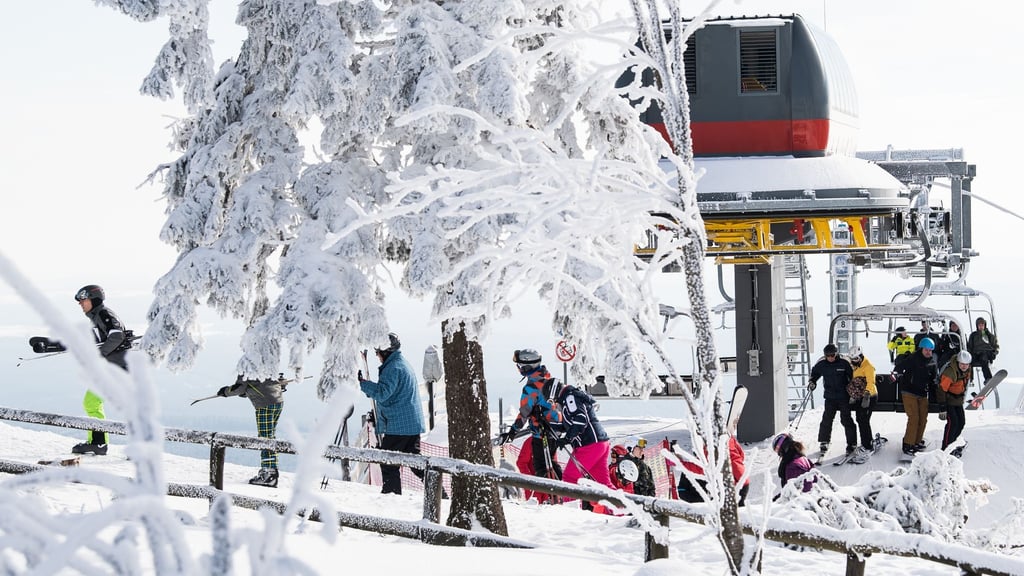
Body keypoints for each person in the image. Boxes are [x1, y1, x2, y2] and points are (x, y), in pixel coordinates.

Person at [358, 333, 427, 495]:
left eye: (378, 352)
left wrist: (364, 385)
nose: (377, 356)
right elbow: (389, 392)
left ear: (385, 351)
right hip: (410, 423)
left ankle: (392, 495)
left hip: (399, 425)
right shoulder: (400, 363)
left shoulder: (393, 368)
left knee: (388, 461)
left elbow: (382, 393)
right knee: (415, 462)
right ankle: (437, 489)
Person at [72, 284, 133, 455]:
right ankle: (98, 443)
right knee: (94, 402)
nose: (80, 304)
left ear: (94, 299)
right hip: (112, 367)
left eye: (83, 300)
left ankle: (101, 443)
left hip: (116, 367)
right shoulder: (97, 316)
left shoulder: (104, 313)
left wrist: (98, 354)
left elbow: (117, 335)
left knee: (95, 402)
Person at [500, 349, 564, 497]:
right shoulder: (549, 379)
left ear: (527, 366)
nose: (519, 369)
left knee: (541, 467)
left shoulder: (531, 387)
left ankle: (554, 496)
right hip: (555, 430)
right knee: (552, 464)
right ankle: (559, 495)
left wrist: (513, 431)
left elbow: (524, 413)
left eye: (520, 366)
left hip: (541, 431)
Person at [544, 378, 616, 502]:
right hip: (599, 443)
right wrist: (548, 425)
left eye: (552, 400)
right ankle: (624, 510)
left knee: (570, 478)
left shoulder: (569, 398)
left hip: (589, 444)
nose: (554, 404)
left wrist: (567, 438)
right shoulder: (570, 398)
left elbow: (581, 419)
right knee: (603, 484)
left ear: (553, 392)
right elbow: (570, 425)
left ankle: (571, 513)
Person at [217, 374, 289, 487]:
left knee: (265, 439)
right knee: (270, 437)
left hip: (264, 403)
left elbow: (239, 387)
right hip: (277, 401)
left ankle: (269, 475)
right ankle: (271, 472)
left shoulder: (247, 364)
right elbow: (258, 384)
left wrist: (225, 391)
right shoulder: (264, 360)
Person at [809, 343, 857, 456]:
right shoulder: (822, 364)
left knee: (846, 419)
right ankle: (824, 441)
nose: (830, 357)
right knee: (827, 419)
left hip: (843, 397)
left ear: (836, 354)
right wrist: (812, 382)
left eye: (832, 355)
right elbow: (815, 373)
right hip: (830, 397)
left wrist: (853, 393)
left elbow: (853, 377)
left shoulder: (844, 363)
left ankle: (852, 443)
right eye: (828, 355)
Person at [894, 336, 938, 456]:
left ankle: (917, 441)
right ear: (921, 349)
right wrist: (895, 374)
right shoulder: (914, 358)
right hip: (909, 391)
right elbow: (900, 367)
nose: (928, 352)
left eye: (930, 350)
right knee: (914, 417)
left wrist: (936, 395)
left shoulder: (932, 362)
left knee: (923, 418)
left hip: (922, 393)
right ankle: (908, 444)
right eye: (926, 350)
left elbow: (933, 379)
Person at [938, 350, 973, 452]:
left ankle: (953, 443)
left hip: (957, 400)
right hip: (948, 400)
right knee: (953, 423)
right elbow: (941, 390)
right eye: (962, 364)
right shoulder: (950, 373)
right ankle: (946, 448)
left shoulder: (968, 370)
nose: (964, 366)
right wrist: (942, 407)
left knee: (961, 422)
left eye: (966, 364)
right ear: (958, 362)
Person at [846, 346, 877, 455]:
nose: (853, 361)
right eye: (852, 359)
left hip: (869, 396)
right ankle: (866, 441)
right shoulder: (854, 366)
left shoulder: (868, 366)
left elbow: (871, 382)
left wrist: (867, 395)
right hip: (859, 396)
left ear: (860, 356)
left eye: (855, 359)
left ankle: (867, 444)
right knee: (860, 419)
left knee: (863, 419)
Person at [967, 317, 999, 382]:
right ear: (977, 326)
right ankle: (969, 378)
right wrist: (969, 354)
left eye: (982, 325)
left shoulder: (989, 335)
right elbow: (970, 346)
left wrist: (994, 352)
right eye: (979, 325)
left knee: (983, 359)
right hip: (976, 353)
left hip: (986, 353)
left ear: (984, 325)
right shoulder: (973, 335)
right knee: (969, 361)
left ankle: (988, 378)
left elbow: (995, 346)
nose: (981, 327)